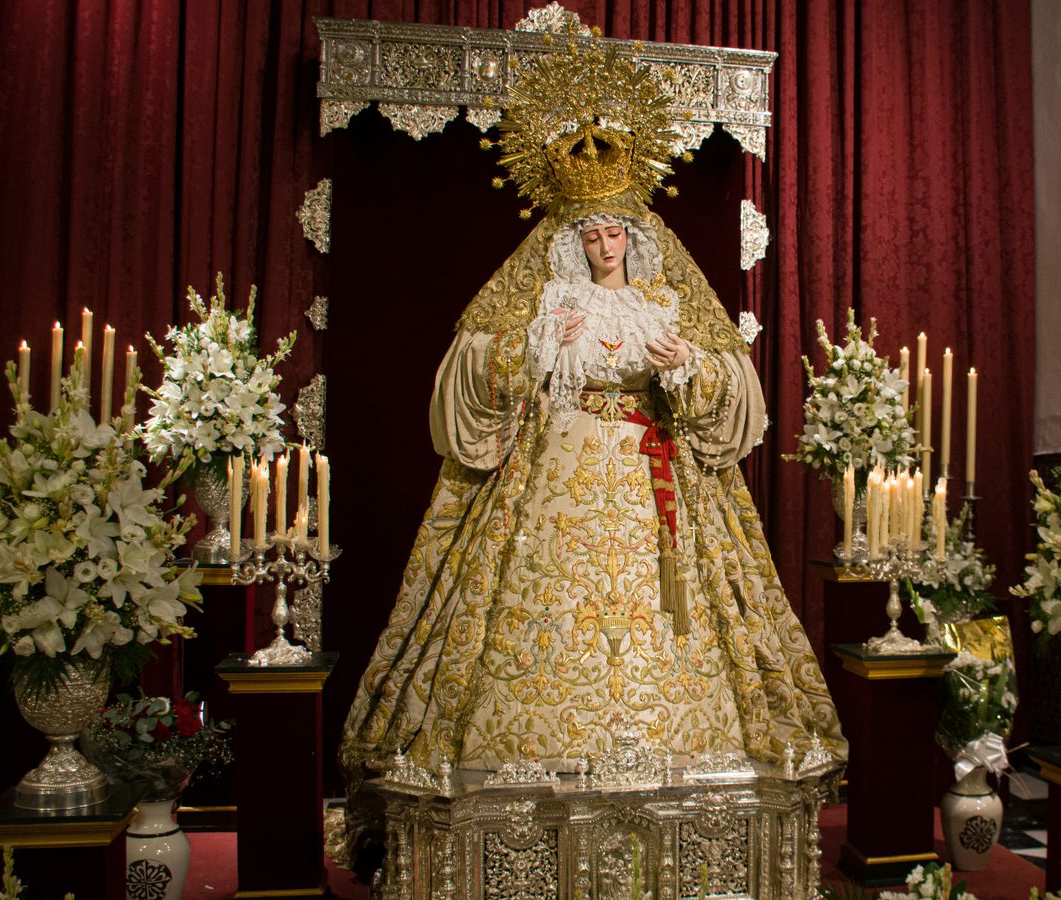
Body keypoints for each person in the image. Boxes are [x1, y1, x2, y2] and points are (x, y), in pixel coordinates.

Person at [337, 32, 844, 860]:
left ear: (633, 236)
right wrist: (532, 350)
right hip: (553, 480)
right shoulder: (541, 303)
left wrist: (689, 372)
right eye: (592, 233)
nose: (605, 242)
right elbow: (469, 372)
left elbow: (732, 391)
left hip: (657, 483)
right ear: (571, 237)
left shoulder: (664, 303)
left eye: (616, 231)